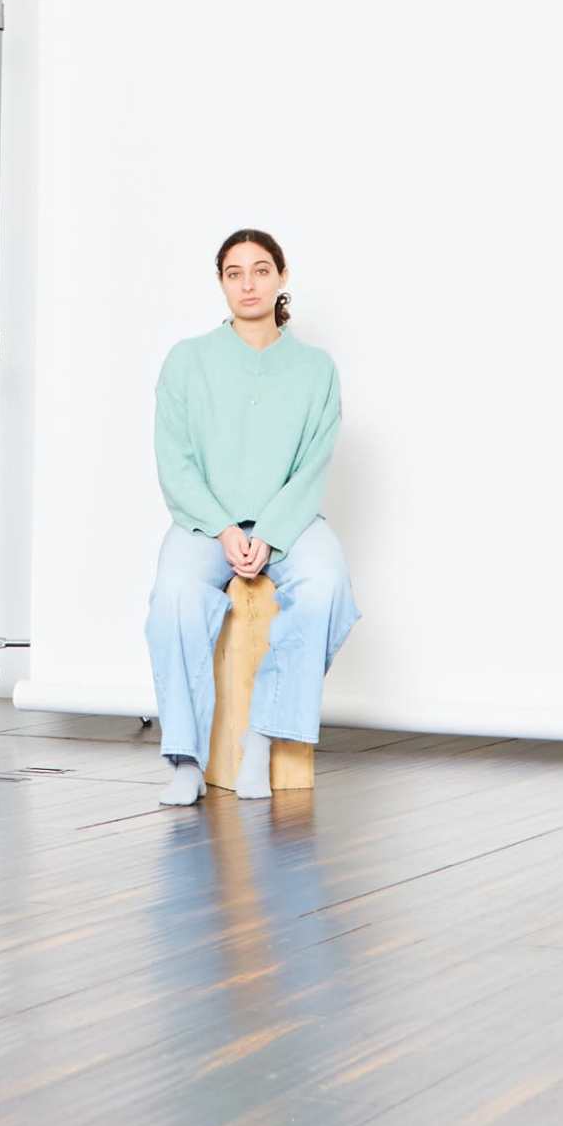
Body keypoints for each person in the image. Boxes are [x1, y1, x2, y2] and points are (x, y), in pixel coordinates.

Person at [146, 227, 358, 805]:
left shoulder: (316, 370)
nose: (248, 283)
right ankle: (186, 759)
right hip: (203, 522)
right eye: (235, 273)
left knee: (327, 584)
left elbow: (313, 467)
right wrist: (221, 529)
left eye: (261, 270)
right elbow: (176, 462)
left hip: (288, 522)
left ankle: (261, 737)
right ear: (220, 283)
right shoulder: (187, 361)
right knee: (174, 596)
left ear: (281, 278)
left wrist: (269, 533)